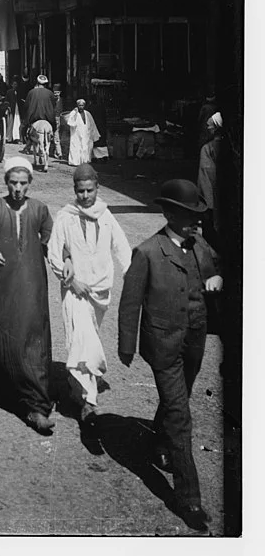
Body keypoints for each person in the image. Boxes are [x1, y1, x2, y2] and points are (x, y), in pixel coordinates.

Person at [118, 179, 223, 532]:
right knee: (180, 413)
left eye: (198, 215)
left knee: (178, 398)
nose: (197, 221)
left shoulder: (199, 246)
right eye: (190, 215)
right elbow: (130, 302)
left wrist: (216, 277)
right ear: (168, 214)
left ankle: (160, 443)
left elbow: (214, 268)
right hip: (162, 344)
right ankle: (189, 498)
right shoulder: (148, 252)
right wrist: (126, 345)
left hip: (193, 341)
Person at [0, 156, 57, 434]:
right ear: (6, 182)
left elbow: (53, 241)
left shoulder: (40, 209)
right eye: (13, 183)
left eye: (23, 183)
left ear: (30, 183)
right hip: (1, 285)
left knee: (33, 337)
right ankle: (6, 389)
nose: (18, 188)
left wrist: (66, 262)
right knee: (0, 333)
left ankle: (37, 406)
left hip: (32, 285)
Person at [47, 164, 131, 421]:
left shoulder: (106, 215)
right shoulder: (66, 216)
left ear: (97, 188)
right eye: (80, 191)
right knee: (83, 339)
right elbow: (53, 253)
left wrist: (134, 279)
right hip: (75, 290)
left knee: (86, 339)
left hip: (101, 289)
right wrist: (70, 280)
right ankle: (89, 402)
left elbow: (122, 248)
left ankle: (77, 390)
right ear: (74, 190)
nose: (85, 196)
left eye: (89, 190)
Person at [197, 113, 222, 249]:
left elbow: (206, 175)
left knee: (210, 229)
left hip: (210, 199)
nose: (207, 128)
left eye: (209, 125)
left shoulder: (207, 148)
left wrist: (206, 201)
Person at [64, 97, 101, 167]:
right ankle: (75, 162)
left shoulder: (87, 113)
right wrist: (75, 115)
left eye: (82, 105)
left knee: (86, 147)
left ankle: (85, 161)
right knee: (76, 147)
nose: (81, 107)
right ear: (77, 105)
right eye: (79, 105)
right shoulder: (73, 113)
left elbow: (92, 124)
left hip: (86, 133)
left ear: (84, 106)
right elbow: (70, 123)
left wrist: (94, 133)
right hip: (76, 133)